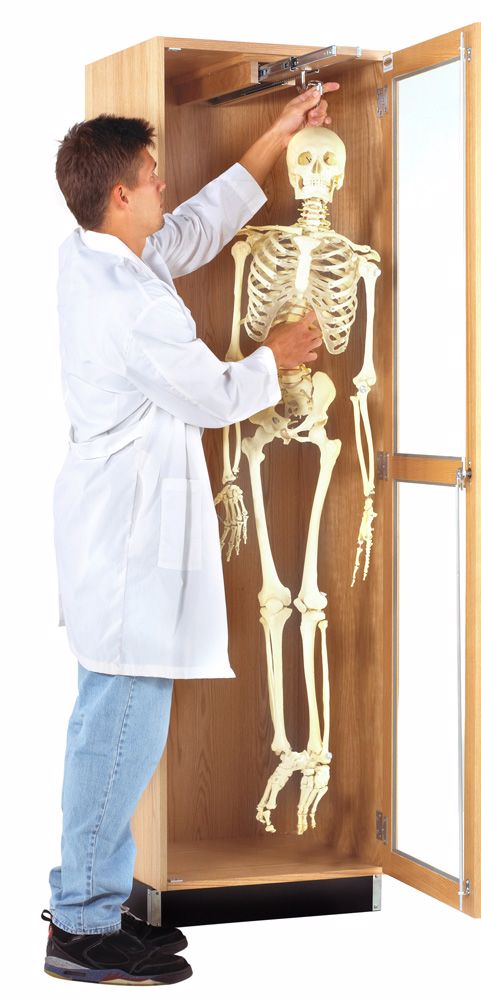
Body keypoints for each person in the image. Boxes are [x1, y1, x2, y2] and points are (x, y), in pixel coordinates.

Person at [42, 80, 340, 985]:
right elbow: (210, 396)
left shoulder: (99, 254)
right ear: (119, 193)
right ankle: (82, 929)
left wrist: (277, 134)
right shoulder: (128, 301)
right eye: (151, 175)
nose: (163, 184)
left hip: (114, 528)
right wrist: (275, 357)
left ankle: (90, 903)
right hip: (127, 541)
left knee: (109, 723)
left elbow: (194, 231)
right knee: (118, 732)